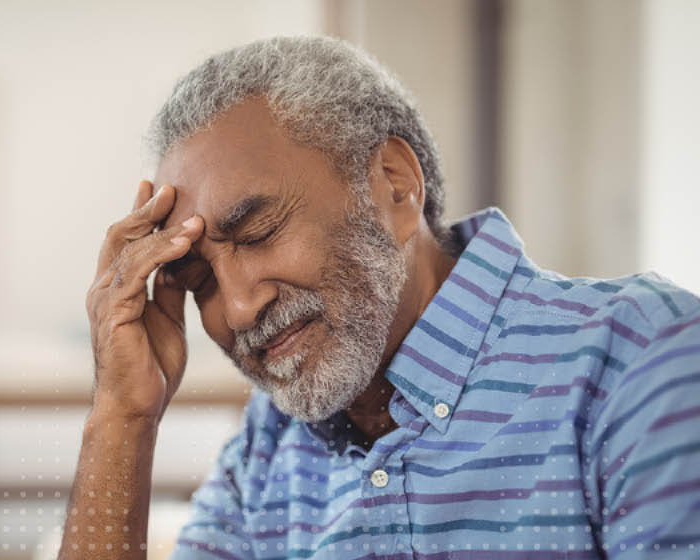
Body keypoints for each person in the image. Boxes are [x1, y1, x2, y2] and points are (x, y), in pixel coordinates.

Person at [59, 36, 700, 559]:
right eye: (200, 282)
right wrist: (122, 421)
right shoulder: (269, 448)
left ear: (394, 185)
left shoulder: (640, 359)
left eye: (258, 232)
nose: (239, 308)